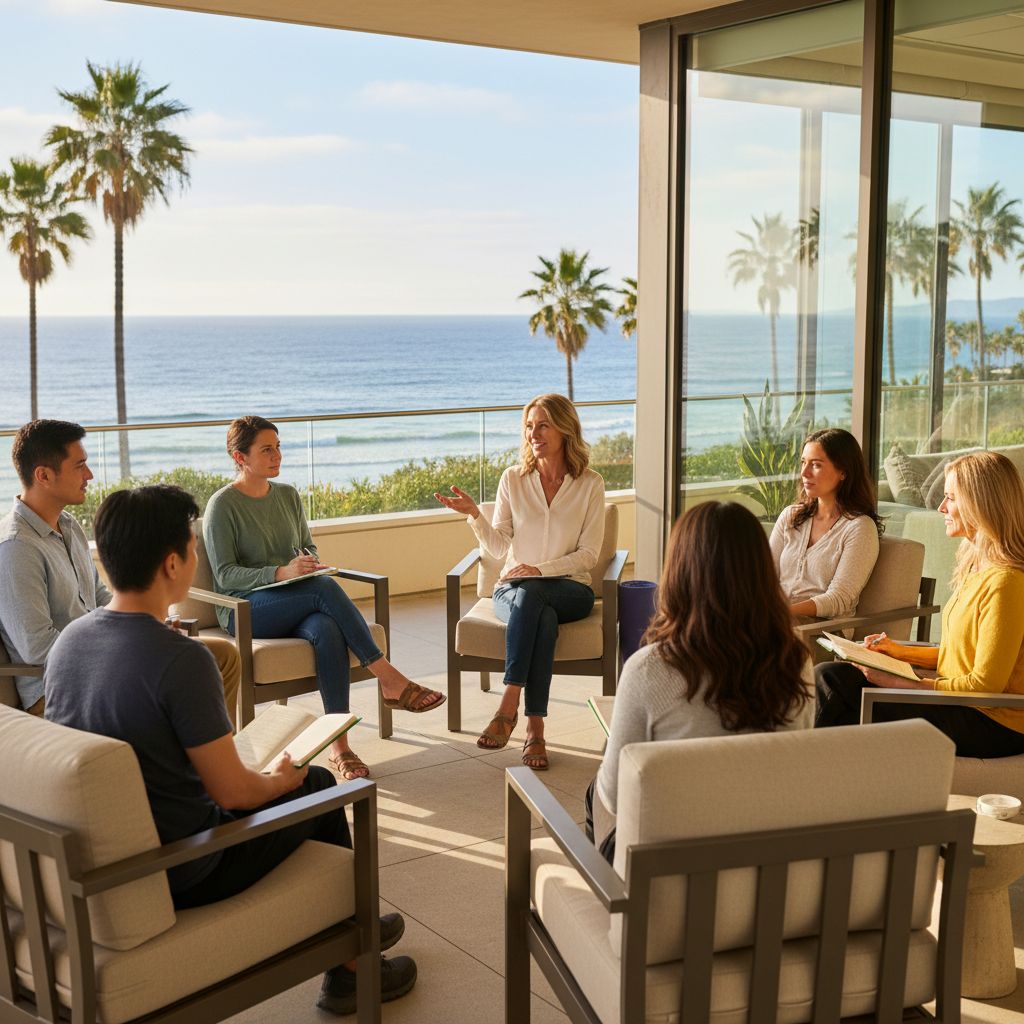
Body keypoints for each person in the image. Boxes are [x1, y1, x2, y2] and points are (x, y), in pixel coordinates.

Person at [44, 485, 417, 1014]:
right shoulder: (181, 659)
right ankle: (353, 967)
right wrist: (281, 781)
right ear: (173, 564)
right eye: (193, 549)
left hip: (110, 861)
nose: (196, 558)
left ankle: (352, 924)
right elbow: (235, 794)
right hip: (187, 864)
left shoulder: (69, 643)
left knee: (292, 780)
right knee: (318, 787)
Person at [203, 415, 445, 782]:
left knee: (326, 627)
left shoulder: (287, 495)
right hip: (246, 610)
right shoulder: (222, 506)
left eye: (279, 446)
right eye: (266, 449)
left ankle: (339, 746)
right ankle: (388, 678)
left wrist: (309, 563)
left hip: (296, 600)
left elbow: (306, 544)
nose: (277, 455)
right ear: (240, 457)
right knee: (325, 590)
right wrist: (281, 573)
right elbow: (225, 575)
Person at [587, 501, 813, 861]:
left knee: (595, 789)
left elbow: (614, 795)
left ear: (679, 572)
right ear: (762, 574)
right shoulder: (795, 659)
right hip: (766, 868)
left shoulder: (649, 669)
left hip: (669, 888)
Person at [0, 419, 240, 722]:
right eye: (80, 466)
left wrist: (147, 628)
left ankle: (214, 753)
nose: (89, 475)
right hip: (60, 687)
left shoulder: (69, 525)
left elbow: (100, 596)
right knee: (187, 665)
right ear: (44, 475)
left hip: (106, 658)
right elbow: (37, 648)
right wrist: (126, 646)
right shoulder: (15, 547)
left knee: (222, 656)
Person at [434, 393, 606, 770]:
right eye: (529, 425)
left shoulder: (590, 484)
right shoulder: (513, 478)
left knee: (534, 595)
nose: (534, 433)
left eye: (542, 424)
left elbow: (590, 555)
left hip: (571, 590)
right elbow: (498, 548)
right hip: (512, 591)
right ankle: (535, 730)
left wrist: (539, 570)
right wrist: (475, 515)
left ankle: (508, 702)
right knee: (535, 610)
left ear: (565, 429)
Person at [815, 451, 1024, 757]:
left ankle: (791, 773)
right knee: (838, 679)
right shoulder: (978, 571)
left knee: (835, 683)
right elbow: (962, 656)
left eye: (950, 498)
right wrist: (895, 652)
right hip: (966, 706)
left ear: (980, 505)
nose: (941, 507)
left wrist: (897, 683)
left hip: (993, 722)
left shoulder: (1007, 582)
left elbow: (986, 685)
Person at [769, 427, 883, 622]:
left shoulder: (860, 528)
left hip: (823, 631)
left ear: (843, 472)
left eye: (816, 465)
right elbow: (764, 575)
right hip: (777, 621)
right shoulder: (790, 516)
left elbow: (839, 599)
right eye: (803, 462)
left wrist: (781, 613)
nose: (804, 472)